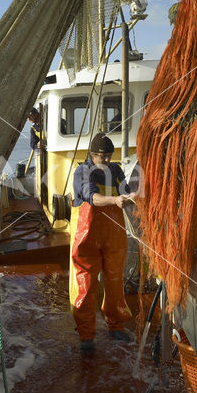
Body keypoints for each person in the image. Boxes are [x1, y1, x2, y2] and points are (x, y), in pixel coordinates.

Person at [69, 132, 133, 352]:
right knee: (86, 285)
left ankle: (116, 326)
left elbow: (125, 191)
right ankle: (86, 336)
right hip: (88, 237)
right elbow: (91, 196)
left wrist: (134, 195)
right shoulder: (82, 171)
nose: (106, 161)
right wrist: (115, 200)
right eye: (102, 157)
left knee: (115, 281)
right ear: (92, 155)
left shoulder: (115, 170)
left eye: (109, 156)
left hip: (114, 236)